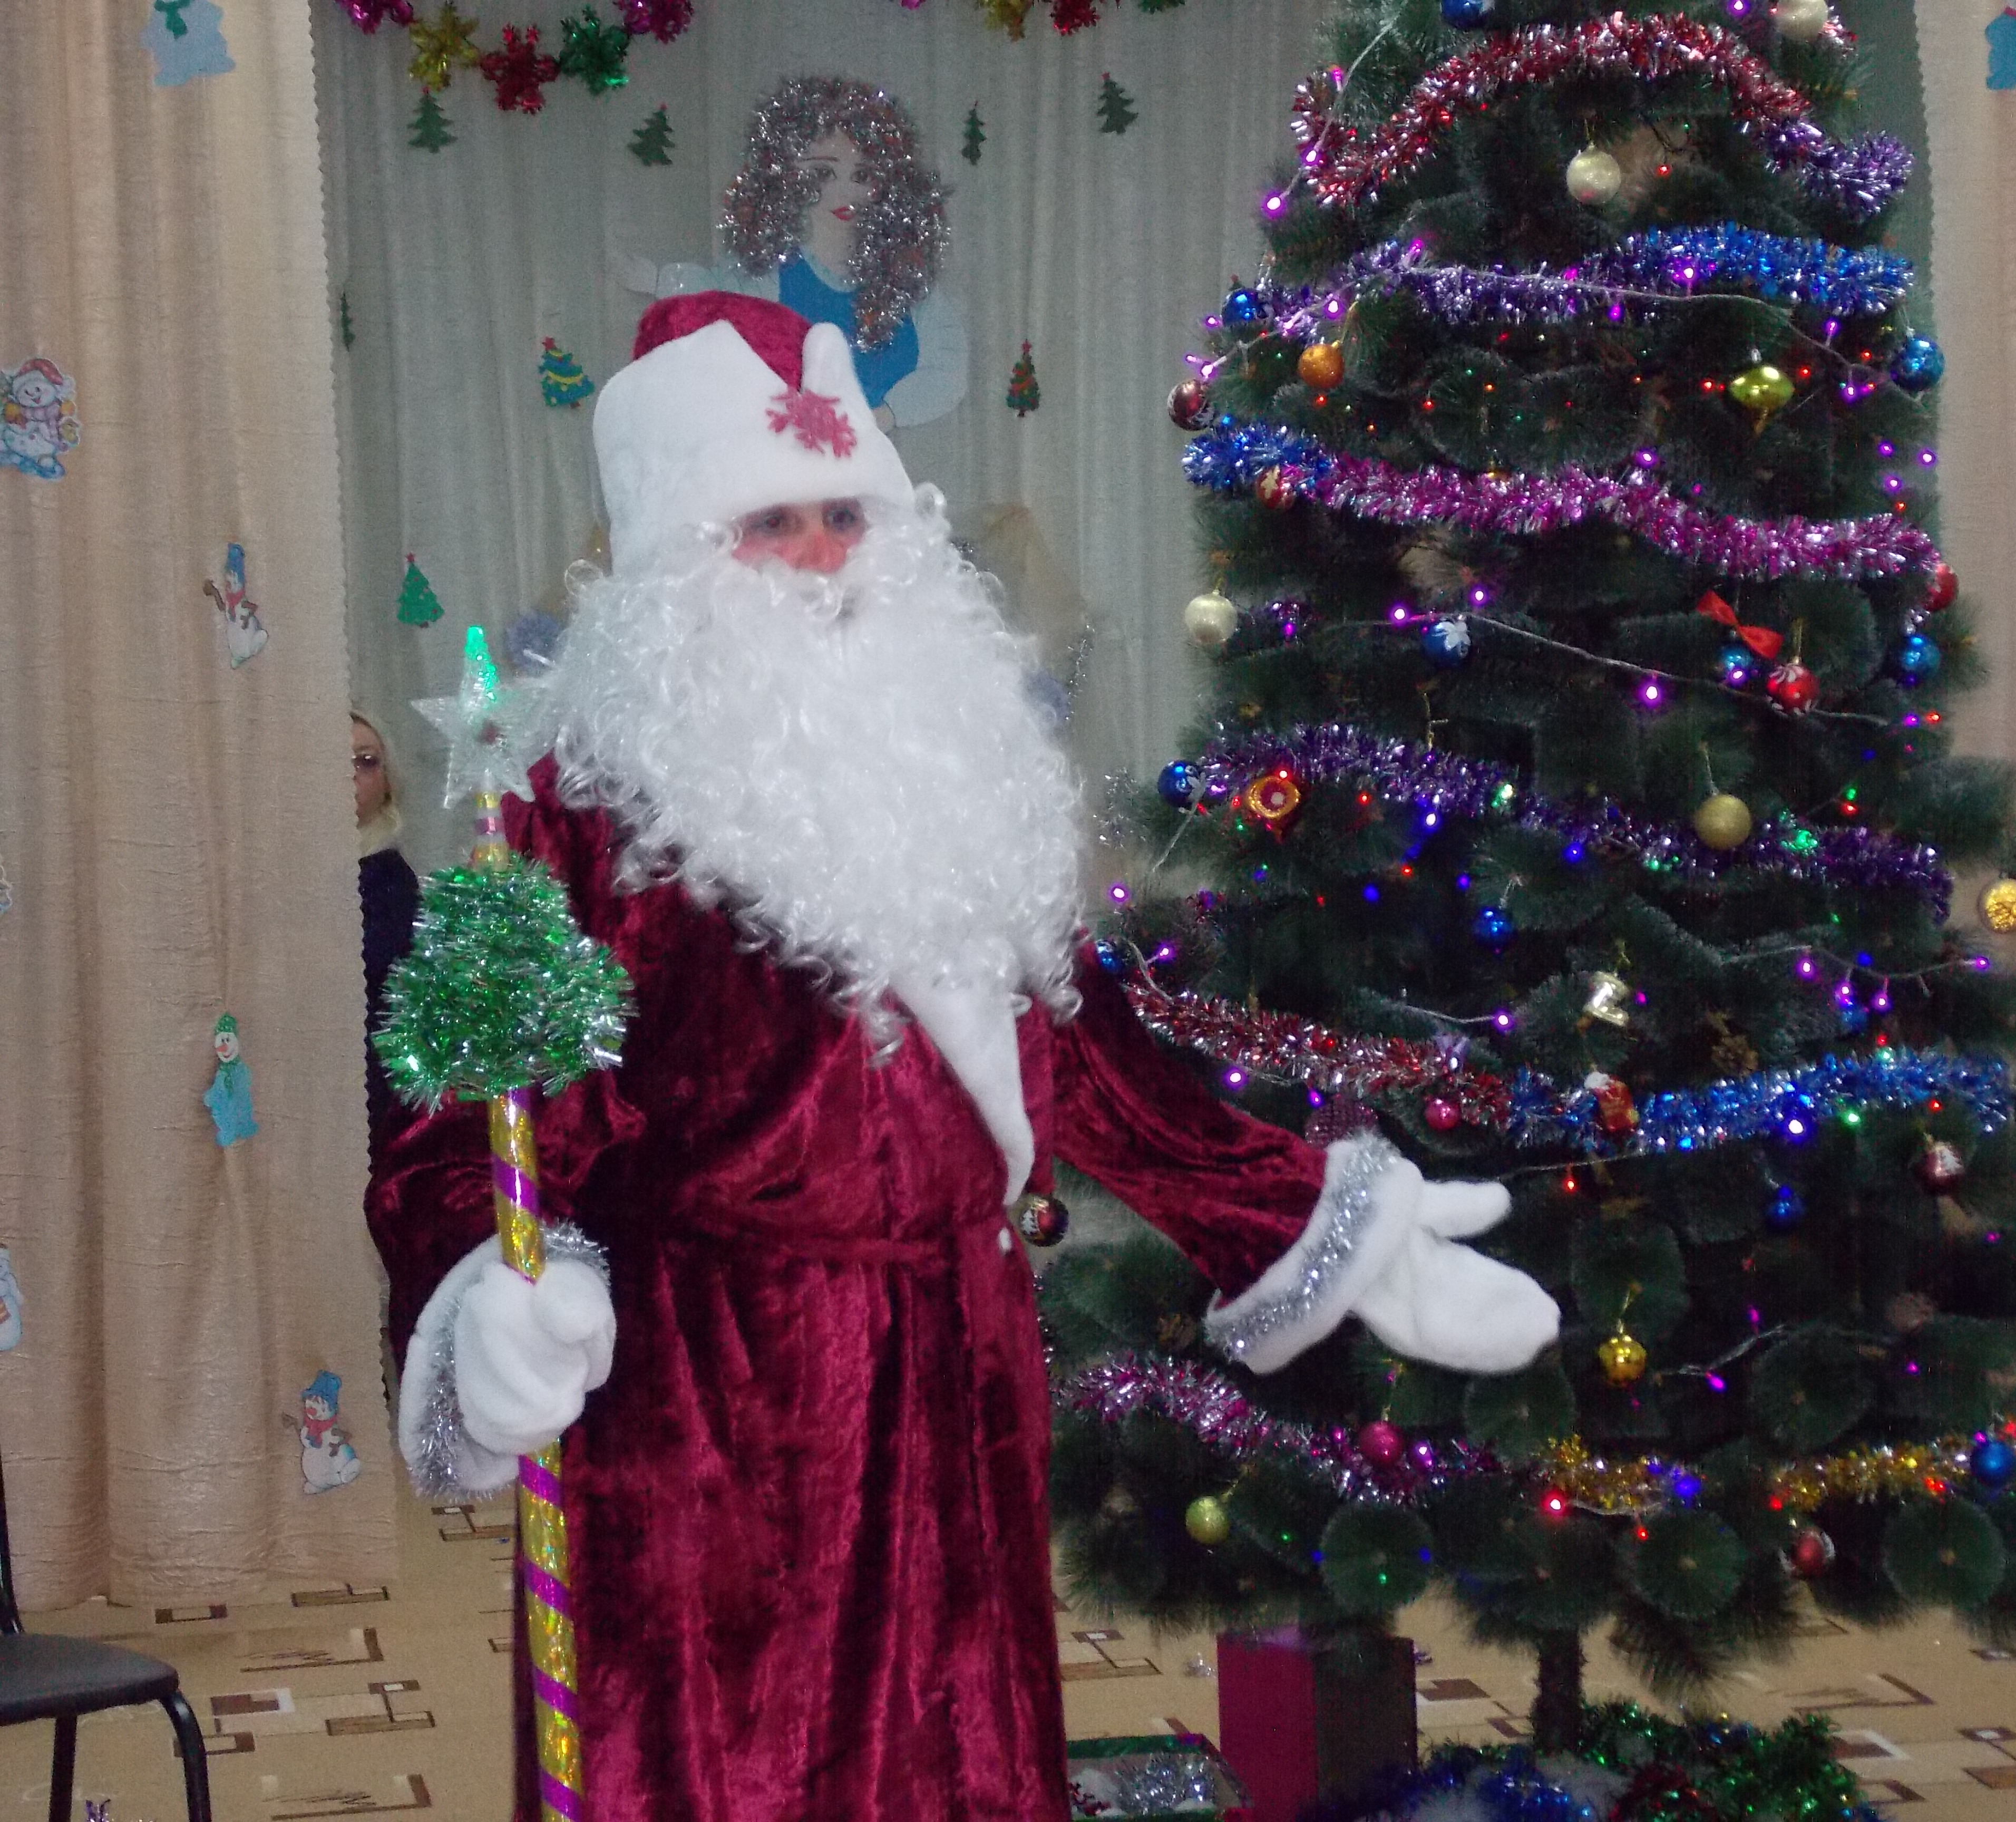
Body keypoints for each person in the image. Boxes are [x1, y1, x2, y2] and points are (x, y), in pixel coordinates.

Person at [365, 292, 1557, 1822]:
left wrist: (1330, 1225)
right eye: (769, 523)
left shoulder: (959, 768)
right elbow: (475, 1106)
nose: (821, 556)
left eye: (843, 513)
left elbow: (1093, 1063)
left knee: (960, 1760)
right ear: (674, 561)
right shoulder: (577, 802)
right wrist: (489, 1281)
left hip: (957, 1363)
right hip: (714, 1389)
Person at [642, 76, 969, 431]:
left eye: (863, 175)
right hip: (779, 454)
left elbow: (948, 366)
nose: (845, 192)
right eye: (824, 172)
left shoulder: (906, 283)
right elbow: (718, 303)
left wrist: (885, 415)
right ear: (783, 175)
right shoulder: (769, 273)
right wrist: (660, 280)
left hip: (876, 458)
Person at [355, 711, 419, 1117]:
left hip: (371, 1088)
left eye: (366, 761)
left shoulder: (389, 878)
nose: (350, 774)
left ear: (388, 783)